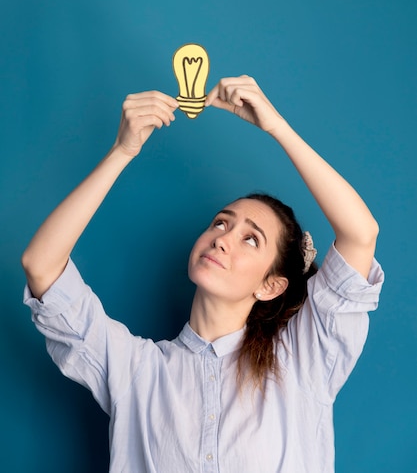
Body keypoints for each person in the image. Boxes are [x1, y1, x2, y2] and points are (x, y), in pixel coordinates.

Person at [22, 75, 384, 473]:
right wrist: (122, 151)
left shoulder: (301, 363)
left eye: (251, 239)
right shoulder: (137, 370)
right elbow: (42, 266)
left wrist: (276, 127)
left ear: (271, 286)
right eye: (220, 223)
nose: (223, 238)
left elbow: (360, 234)